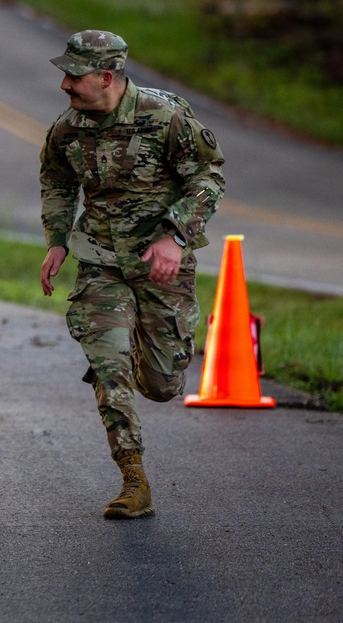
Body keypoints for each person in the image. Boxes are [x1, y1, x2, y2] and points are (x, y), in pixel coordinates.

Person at [39, 30, 225, 519]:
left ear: (106, 76)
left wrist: (175, 235)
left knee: (163, 383)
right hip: (99, 258)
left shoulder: (166, 118)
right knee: (108, 364)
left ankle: (138, 348)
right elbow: (56, 180)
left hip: (160, 261)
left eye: (74, 75)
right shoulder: (68, 128)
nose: (64, 84)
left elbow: (209, 177)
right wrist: (57, 240)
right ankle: (133, 480)